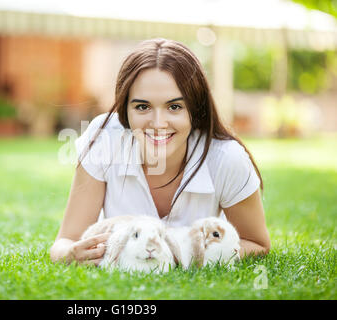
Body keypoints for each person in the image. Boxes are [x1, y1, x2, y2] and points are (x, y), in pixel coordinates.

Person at [50, 38, 270, 266]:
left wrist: (185, 257)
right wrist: (70, 254)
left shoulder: (226, 158)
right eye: (142, 107)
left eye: (174, 107)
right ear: (125, 110)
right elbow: (65, 241)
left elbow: (256, 243)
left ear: (195, 109)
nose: (158, 123)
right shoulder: (104, 138)